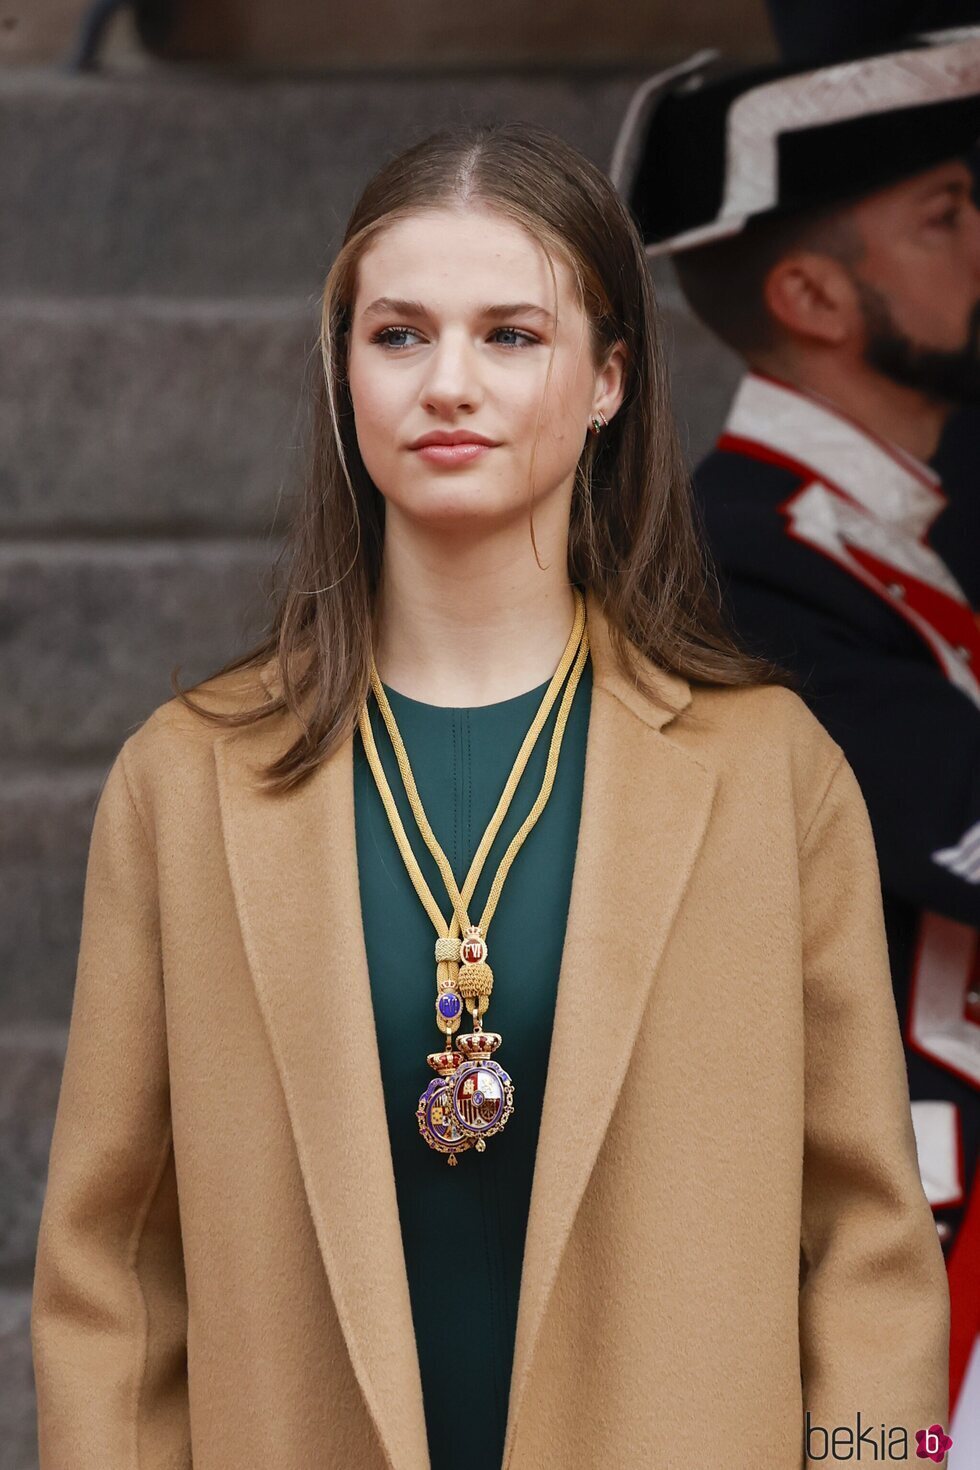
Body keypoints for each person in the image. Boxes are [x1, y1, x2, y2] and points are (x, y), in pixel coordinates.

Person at [31, 121, 950, 1470]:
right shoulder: (186, 777)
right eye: (399, 334)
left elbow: (872, 1246)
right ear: (343, 372)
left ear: (606, 380)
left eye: (511, 335)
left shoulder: (770, 769)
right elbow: (111, 1269)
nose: (447, 382)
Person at [610, 23, 980, 1453]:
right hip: (884, 1275)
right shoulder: (733, 566)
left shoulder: (906, 527)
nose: (979, 238)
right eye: (947, 217)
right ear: (815, 294)